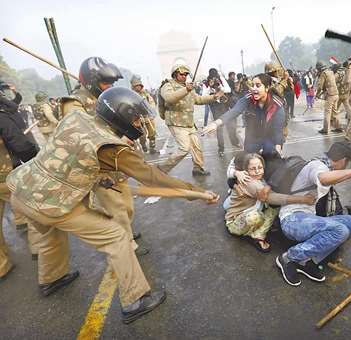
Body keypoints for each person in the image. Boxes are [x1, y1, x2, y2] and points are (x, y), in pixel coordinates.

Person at [7, 87, 219, 323]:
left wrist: (97, 175)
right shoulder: (111, 147)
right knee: (116, 236)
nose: (139, 123)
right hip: (50, 202)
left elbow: (70, 155)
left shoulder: (76, 117)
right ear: (121, 117)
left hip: (23, 189)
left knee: (49, 234)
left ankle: (51, 278)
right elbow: (153, 177)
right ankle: (135, 300)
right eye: (136, 118)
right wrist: (195, 192)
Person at [60, 57, 144, 252]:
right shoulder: (74, 104)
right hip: (98, 165)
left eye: (113, 83)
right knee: (117, 208)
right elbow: (78, 136)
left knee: (127, 205)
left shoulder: (105, 96)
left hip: (116, 161)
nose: (110, 86)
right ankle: (127, 244)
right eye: (106, 82)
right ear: (90, 81)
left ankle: (125, 230)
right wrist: (115, 140)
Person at [275, 139, 351, 286]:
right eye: (347, 164)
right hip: (292, 220)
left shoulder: (325, 164)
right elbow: (323, 179)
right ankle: (289, 257)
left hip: (307, 218)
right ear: (343, 160)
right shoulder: (318, 166)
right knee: (339, 230)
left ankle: (307, 261)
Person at [225, 152, 315, 252]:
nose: (257, 171)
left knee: (274, 209)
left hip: (251, 209)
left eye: (260, 167)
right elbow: (271, 197)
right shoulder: (249, 181)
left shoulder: (260, 177)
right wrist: (302, 199)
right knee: (254, 217)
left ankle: (257, 233)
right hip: (235, 222)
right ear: (245, 170)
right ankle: (251, 234)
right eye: (252, 169)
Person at [0, 81, 41, 278]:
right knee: (30, 208)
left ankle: (1, 265)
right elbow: (16, 140)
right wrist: (36, 156)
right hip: (5, 173)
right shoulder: (2, 114)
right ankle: (39, 248)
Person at [158, 64, 223, 176]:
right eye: (181, 74)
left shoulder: (188, 86)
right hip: (176, 122)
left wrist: (214, 97)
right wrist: (185, 90)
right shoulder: (167, 85)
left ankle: (198, 168)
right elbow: (169, 98)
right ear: (175, 74)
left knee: (196, 146)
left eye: (186, 74)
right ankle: (161, 170)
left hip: (188, 122)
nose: (184, 76)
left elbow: (198, 99)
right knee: (184, 148)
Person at [203, 73, 285, 156]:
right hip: (252, 138)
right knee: (249, 161)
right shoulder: (248, 98)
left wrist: (278, 148)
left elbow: (278, 130)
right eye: (252, 85)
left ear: (267, 88)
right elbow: (234, 111)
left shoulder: (276, 104)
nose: (254, 88)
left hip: (269, 138)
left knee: (271, 157)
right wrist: (216, 123)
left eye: (258, 85)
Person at [202, 69, 242, 157]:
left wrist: (220, 86)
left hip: (224, 104)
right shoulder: (206, 84)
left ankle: (234, 142)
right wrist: (210, 87)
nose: (214, 78)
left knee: (230, 125)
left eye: (215, 77)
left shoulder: (221, 79)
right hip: (215, 107)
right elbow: (203, 96)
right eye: (213, 77)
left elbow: (228, 90)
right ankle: (221, 149)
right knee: (219, 128)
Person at [131, 75, 158, 154]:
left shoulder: (145, 93)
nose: (137, 87)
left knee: (152, 133)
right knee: (142, 135)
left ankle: (152, 147)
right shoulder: (131, 95)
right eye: (135, 86)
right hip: (139, 118)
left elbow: (151, 102)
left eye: (139, 85)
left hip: (148, 116)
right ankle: (143, 144)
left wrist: (150, 110)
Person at [315, 61, 341, 135]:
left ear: (319, 68)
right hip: (336, 93)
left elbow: (320, 86)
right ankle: (338, 127)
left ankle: (326, 129)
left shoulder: (323, 74)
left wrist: (317, 94)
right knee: (335, 111)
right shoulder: (331, 72)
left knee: (327, 112)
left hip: (330, 95)